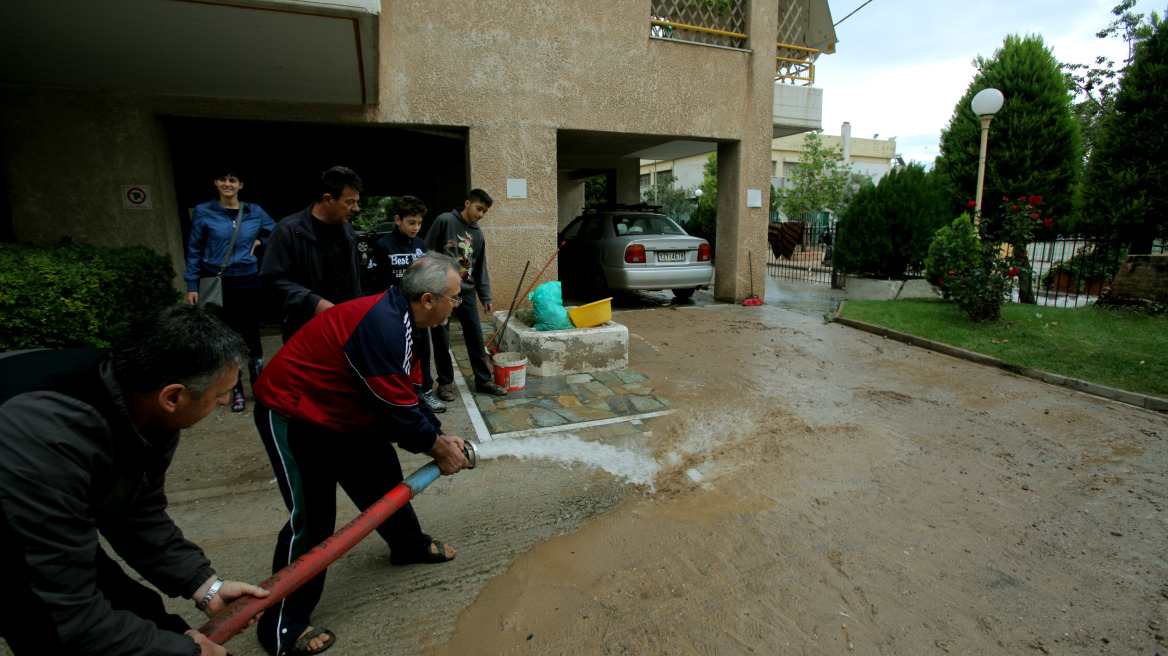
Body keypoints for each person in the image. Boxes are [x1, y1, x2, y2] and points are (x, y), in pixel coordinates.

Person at [0, 305, 270, 656]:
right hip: (15, 519)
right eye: (220, 394)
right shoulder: (43, 446)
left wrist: (204, 584)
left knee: (147, 619)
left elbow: (134, 507)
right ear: (173, 397)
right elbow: (67, 617)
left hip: (33, 518)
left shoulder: (139, 404)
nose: (224, 401)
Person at [252, 253, 471, 656]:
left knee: (381, 475)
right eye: (454, 298)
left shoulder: (412, 323)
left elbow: (411, 396)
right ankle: (282, 624)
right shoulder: (384, 325)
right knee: (313, 519)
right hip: (295, 413)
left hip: (347, 412)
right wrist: (439, 450)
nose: (458, 305)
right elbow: (399, 416)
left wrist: (441, 435)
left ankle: (406, 546)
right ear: (427, 298)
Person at [183, 166, 278, 412]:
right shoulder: (205, 211)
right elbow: (194, 249)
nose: (227, 184)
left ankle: (258, 388)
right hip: (218, 281)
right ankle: (234, 391)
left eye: (232, 180)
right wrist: (191, 284)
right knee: (226, 338)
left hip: (248, 279)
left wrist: (260, 241)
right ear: (215, 182)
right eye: (222, 179)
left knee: (251, 336)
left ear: (240, 185)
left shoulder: (254, 211)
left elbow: (278, 232)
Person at [260, 166, 364, 342]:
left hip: (345, 327)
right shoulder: (289, 231)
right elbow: (271, 279)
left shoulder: (347, 230)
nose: (356, 208)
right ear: (328, 199)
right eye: (350, 202)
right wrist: (313, 303)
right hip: (305, 330)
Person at [424, 188, 507, 399]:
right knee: (441, 338)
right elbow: (427, 253)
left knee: (475, 336)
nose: (480, 215)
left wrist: (485, 296)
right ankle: (445, 383)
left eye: (485, 212)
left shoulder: (478, 234)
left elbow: (480, 268)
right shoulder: (444, 221)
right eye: (479, 208)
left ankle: (483, 380)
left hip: (466, 292)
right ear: (467, 203)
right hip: (441, 291)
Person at [369, 195, 445, 413]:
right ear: (397, 219)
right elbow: (373, 283)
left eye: (419, 223)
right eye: (411, 222)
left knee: (422, 354)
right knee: (399, 355)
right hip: (392, 314)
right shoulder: (383, 246)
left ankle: (426, 393)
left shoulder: (421, 245)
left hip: (419, 314)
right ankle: (400, 397)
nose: (416, 227)